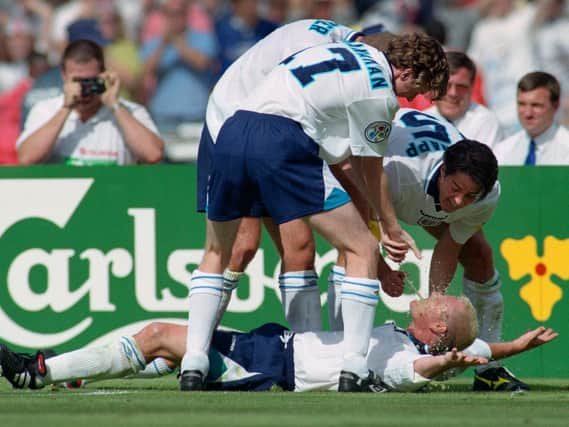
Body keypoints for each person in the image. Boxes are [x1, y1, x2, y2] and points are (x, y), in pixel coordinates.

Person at [184, 31, 448, 392]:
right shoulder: (380, 94)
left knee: (217, 252)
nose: (413, 97)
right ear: (405, 71)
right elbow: (370, 168)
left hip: (232, 131)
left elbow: (336, 147)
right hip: (282, 140)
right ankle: (353, 368)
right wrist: (390, 227)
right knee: (363, 249)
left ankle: (193, 360)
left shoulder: (342, 52)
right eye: (418, 86)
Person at [199, 19, 402, 338]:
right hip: (232, 120)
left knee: (301, 247)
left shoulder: (342, 51)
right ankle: (194, 345)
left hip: (272, 132)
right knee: (241, 247)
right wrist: (380, 233)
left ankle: (304, 350)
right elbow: (341, 166)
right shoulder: (344, 65)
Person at [328, 110, 529, 391]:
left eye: (470, 195)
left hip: (415, 191)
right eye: (456, 188)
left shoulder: (487, 196)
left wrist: (437, 302)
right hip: (358, 170)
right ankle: (339, 358)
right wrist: (384, 261)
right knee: (352, 251)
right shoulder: (398, 173)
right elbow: (360, 224)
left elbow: (450, 245)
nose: (459, 201)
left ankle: (488, 371)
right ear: (444, 171)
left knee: (479, 256)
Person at [0, 294, 557, 392]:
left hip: (273, 367)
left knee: (158, 338)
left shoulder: (404, 355)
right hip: (272, 344)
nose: (434, 295)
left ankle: (36, 372)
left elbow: (415, 374)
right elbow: (477, 353)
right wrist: (514, 347)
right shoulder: (409, 336)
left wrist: (443, 363)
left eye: (443, 303)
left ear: (436, 330)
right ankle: (71, 371)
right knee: (164, 332)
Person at [16, 39, 164, 166]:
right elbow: (27, 158)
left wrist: (115, 105)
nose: (84, 89)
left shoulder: (130, 112)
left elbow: (153, 155)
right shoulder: (46, 110)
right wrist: (66, 109)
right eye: (78, 81)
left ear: (103, 75)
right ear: (63, 76)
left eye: (90, 81)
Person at [140, 0, 218, 134]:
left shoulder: (203, 38)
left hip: (195, 114)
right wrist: (163, 44)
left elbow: (202, 63)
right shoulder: (155, 43)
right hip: (164, 116)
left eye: (179, 13)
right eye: (170, 14)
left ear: (187, 14)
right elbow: (146, 70)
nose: (175, 18)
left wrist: (176, 40)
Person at [425, 51, 504, 150]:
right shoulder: (419, 122)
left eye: (461, 86)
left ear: (471, 88)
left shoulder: (486, 122)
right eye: (446, 85)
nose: (453, 93)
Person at [493, 71, 569, 165]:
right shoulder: (504, 150)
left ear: (556, 106)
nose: (528, 113)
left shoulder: (566, 148)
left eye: (536, 105)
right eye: (522, 104)